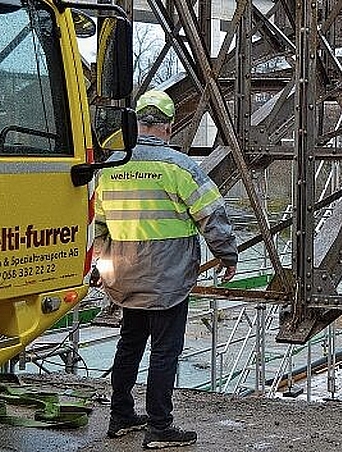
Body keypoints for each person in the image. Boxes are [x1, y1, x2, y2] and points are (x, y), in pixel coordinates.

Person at [93, 90, 238, 449]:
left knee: (129, 343)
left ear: (138, 123)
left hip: (124, 275)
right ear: (169, 126)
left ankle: (121, 414)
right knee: (164, 351)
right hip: (168, 278)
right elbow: (211, 215)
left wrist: (100, 265)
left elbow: (99, 224)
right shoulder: (178, 167)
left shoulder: (112, 166)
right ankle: (159, 426)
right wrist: (227, 254)